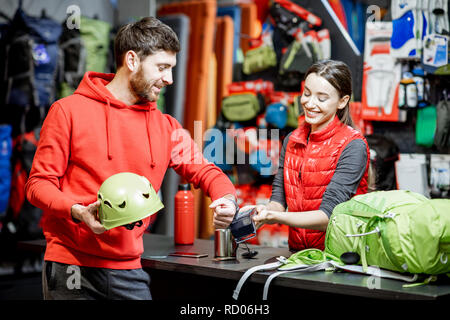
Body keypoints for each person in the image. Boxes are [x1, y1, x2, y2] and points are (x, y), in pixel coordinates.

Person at [25, 17, 237, 300]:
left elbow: (206, 171)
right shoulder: (68, 112)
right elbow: (38, 185)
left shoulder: (166, 127)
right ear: (132, 60)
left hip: (128, 270)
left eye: (171, 69)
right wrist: (78, 211)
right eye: (162, 68)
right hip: (71, 266)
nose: (169, 79)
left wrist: (227, 199)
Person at [244, 60, 369, 252]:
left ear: (342, 101)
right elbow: (278, 199)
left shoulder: (353, 145)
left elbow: (328, 217)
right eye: (307, 93)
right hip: (299, 254)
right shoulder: (292, 140)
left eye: (321, 98)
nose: (309, 104)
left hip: (340, 258)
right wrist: (263, 212)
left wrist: (275, 217)